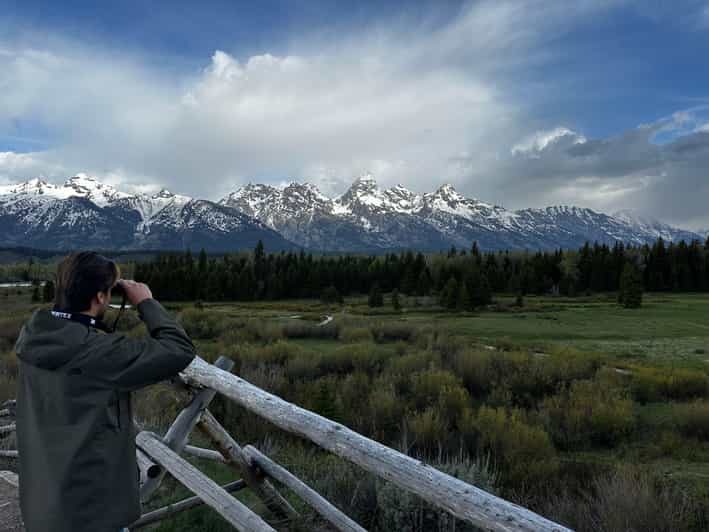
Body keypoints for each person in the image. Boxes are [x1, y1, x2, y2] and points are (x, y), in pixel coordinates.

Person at [14, 251, 198, 532]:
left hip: (44, 505)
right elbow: (179, 349)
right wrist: (146, 302)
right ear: (101, 297)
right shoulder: (96, 352)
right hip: (91, 512)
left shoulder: (35, 334)